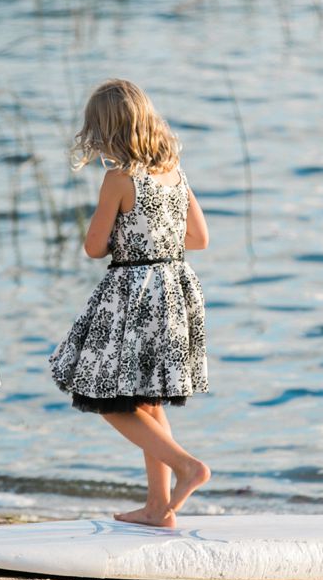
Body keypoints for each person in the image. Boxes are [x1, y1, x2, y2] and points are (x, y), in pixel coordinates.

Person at [50, 79, 211, 528]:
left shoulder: (119, 179)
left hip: (133, 294)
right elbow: (199, 238)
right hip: (174, 290)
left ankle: (186, 466)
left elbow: (94, 246)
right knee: (149, 402)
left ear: (106, 132)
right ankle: (159, 507)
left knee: (105, 397)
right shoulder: (175, 171)